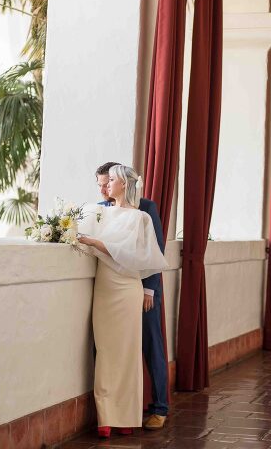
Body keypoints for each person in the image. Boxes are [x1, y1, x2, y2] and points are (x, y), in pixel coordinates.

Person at [77, 165, 168, 437]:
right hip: (108, 286)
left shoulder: (145, 211)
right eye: (101, 184)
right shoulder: (98, 210)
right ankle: (108, 415)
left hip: (139, 288)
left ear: (123, 183)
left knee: (148, 346)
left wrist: (149, 290)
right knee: (105, 350)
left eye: (107, 182)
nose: (103, 188)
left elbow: (154, 250)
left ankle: (158, 408)